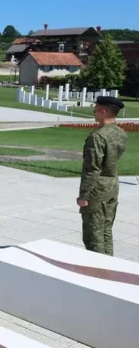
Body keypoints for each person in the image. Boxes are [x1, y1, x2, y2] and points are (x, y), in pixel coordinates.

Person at [77, 96, 127, 256]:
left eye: (95, 109)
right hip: (112, 187)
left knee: (93, 236)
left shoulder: (97, 136)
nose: (94, 112)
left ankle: (98, 271)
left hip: (96, 191)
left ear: (103, 112)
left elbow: (92, 169)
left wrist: (84, 195)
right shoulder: (120, 132)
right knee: (106, 230)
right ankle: (109, 265)